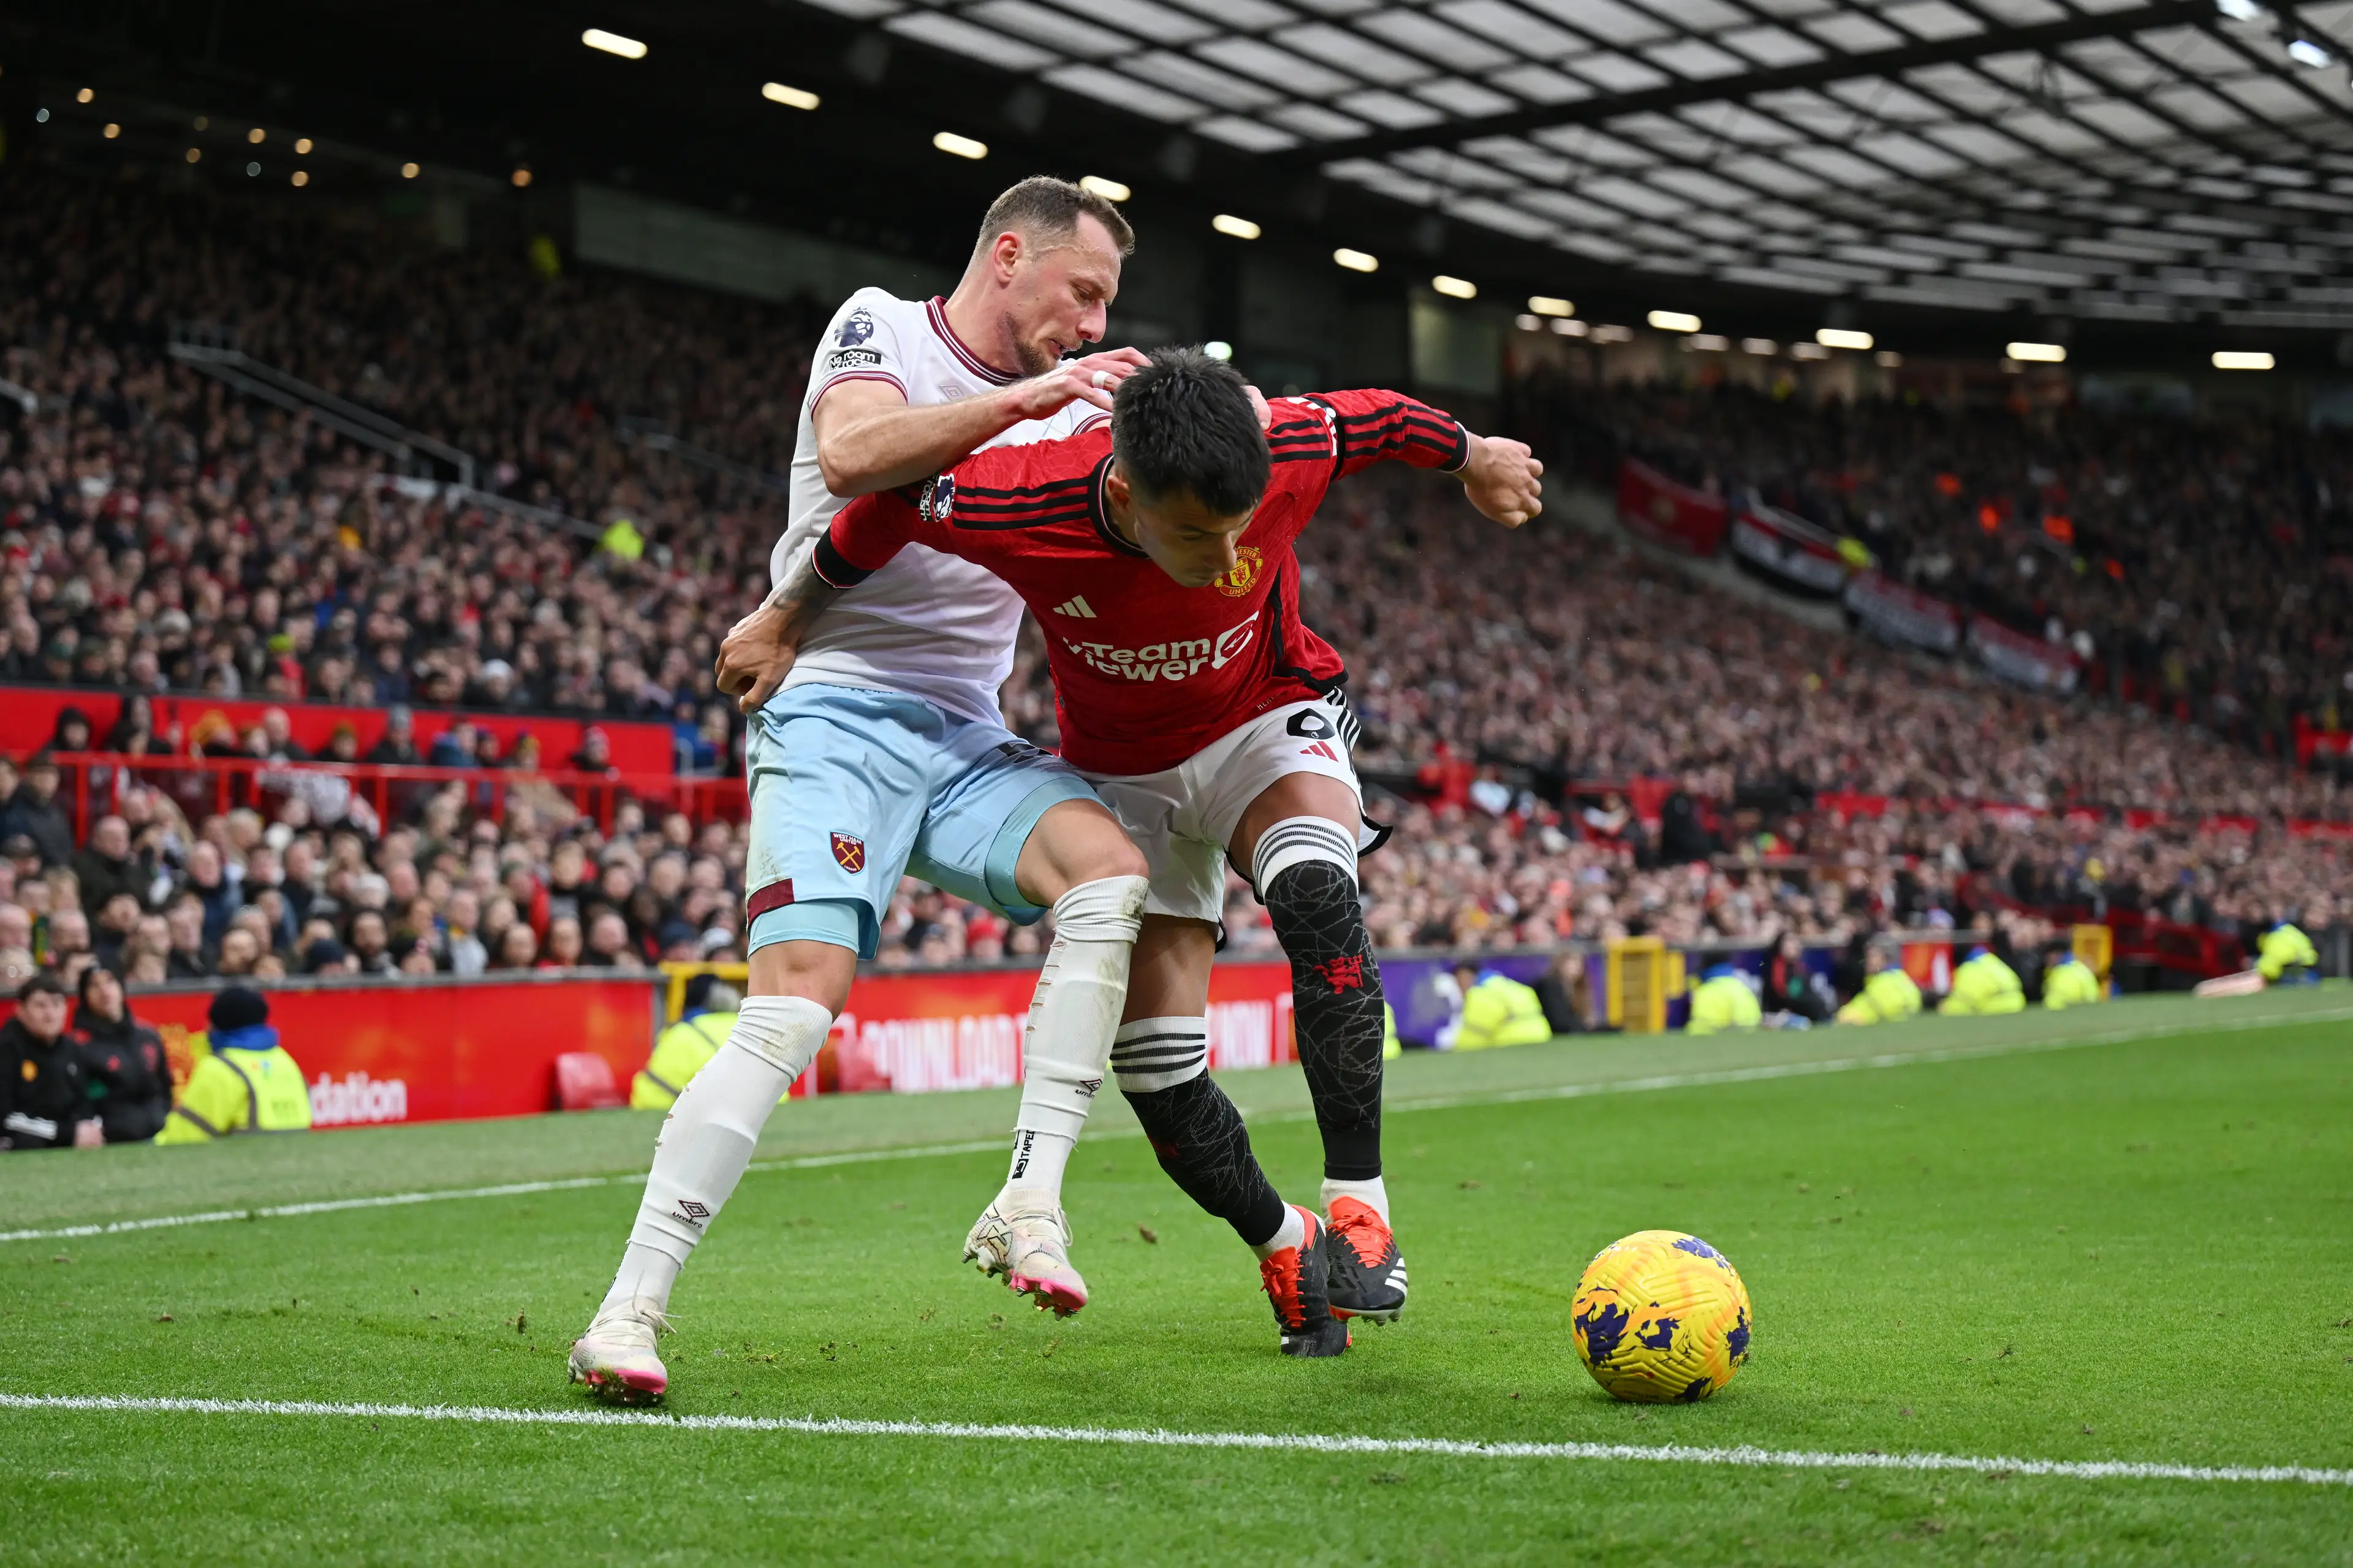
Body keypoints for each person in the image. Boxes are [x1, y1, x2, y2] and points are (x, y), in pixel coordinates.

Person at [780, 348, 1541, 1355]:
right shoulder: (1021, 496)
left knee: (1318, 891)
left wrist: (1479, 455)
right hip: (1121, 777)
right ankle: (1285, 1241)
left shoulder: (1293, 439)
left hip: (1266, 716)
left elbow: (1392, 419)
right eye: (1193, 531)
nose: (1227, 554)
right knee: (1159, 1071)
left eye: (1240, 527)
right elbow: (882, 508)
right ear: (1126, 490)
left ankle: (1360, 1205)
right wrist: (783, 618)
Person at [574, 175, 1162, 1404]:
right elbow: (852, 457)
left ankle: (1030, 1198)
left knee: (1110, 874)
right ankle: (627, 1310)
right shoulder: (883, 326)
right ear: (1011, 256)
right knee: (793, 1012)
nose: (1094, 326)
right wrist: (1033, 396)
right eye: (1084, 293)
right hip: (832, 708)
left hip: (961, 737)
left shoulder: (1075, 410)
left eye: (1108, 307)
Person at [156, 987, 312, 1142]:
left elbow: (184, 1137)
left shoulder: (220, 1068)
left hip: (246, 1162)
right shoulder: (284, 1060)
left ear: (216, 1023)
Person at [0, 974, 102, 1149]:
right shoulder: (7, 1050)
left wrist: (91, 1127)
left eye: (56, 1005)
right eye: (40, 1006)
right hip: (20, 1138)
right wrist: (68, 1134)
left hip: (63, 1134)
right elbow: (6, 1116)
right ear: (20, 1010)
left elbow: (84, 1099)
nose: (50, 1014)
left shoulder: (72, 1048)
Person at [75, 965, 172, 1143]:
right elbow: (82, 1101)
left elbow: (165, 1085)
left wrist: (163, 1116)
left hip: (159, 1134)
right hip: (113, 1141)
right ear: (85, 996)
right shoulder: (80, 1046)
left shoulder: (148, 1036)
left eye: (110, 981)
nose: (104, 990)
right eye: (94, 985)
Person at [632, 978, 756, 1110]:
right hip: (757, 1110)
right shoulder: (753, 1029)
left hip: (667, 1111)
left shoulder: (681, 1032)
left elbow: (652, 1093)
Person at [1451, 963, 1555, 1050]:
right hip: (1542, 1037)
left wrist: (1456, 1050)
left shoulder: (1480, 994)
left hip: (1513, 1042)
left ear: (1467, 977)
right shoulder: (1513, 986)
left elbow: (1474, 1035)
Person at [1836, 938, 1923, 1025]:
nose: (1867, 961)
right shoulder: (1900, 977)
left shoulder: (1883, 982)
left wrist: (1846, 1015)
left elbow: (1864, 1011)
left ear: (1885, 958)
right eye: (1867, 956)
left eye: (1872, 956)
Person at [1941, 943, 2026, 1016]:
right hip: (2018, 1003)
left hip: (1997, 1008)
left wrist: (1945, 1008)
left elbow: (1963, 1001)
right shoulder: (1992, 960)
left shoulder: (1969, 968)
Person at [1686, 960, 1763, 1036]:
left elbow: (1700, 1031)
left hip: (1719, 1044)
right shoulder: (1743, 989)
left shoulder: (1707, 992)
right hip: (1750, 1043)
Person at [2040, 944, 2105, 1010]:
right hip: (2050, 1013)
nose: (2047, 959)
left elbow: (2092, 997)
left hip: (2072, 1015)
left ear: (2058, 954)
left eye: (2050, 955)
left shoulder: (2080, 970)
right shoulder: (2051, 972)